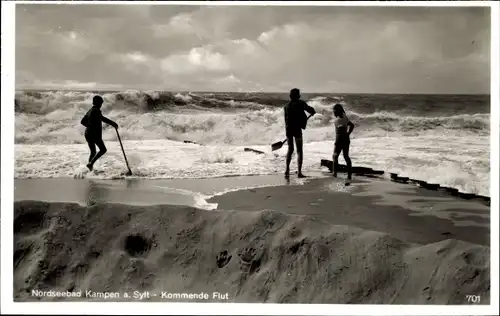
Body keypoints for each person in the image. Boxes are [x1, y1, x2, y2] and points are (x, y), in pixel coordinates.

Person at [284, 88, 316, 178]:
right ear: (298, 96)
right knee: (299, 151)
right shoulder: (301, 103)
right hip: (297, 129)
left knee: (290, 150)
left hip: (288, 130)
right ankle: (299, 172)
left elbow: (286, 120)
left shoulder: (286, 106)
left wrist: (287, 131)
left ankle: (287, 170)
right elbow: (310, 110)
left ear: (290, 96)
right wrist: (313, 111)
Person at [80, 95, 118, 171]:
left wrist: (90, 126)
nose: (101, 105)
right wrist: (113, 123)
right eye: (100, 103)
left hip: (88, 133)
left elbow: (82, 121)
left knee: (93, 152)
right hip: (95, 134)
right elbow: (103, 119)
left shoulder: (90, 110)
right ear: (98, 103)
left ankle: (90, 169)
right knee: (103, 149)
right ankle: (90, 164)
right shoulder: (96, 110)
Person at [332, 103, 355, 180]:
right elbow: (352, 125)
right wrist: (348, 134)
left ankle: (334, 173)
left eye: (334, 111)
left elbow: (340, 130)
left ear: (337, 111)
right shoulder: (345, 117)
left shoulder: (338, 119)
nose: (333, 113)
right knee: (346, 156)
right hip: (346, 139)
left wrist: (338, 140)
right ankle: (349, 175)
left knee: (335, 155)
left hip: (340, 138)